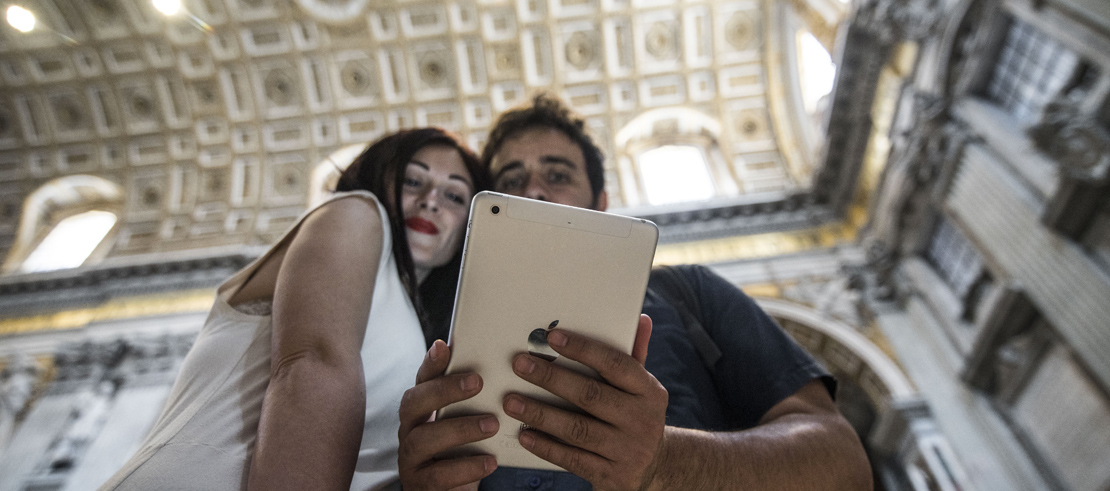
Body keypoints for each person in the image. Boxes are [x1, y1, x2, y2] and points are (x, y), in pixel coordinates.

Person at [397, 95, 873, 490]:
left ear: (603, 204)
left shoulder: (687, 292)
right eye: (512, 183)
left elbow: (842, 461)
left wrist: (665, 461)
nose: (535, 193)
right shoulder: (444, 337)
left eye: (557, 175)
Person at [100, 128, 488, 491]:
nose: (430, 200)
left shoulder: (424, 335)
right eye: (413, 181)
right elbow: (312, 364)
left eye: (454, 196)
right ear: (376, 179)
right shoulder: (356, 213)